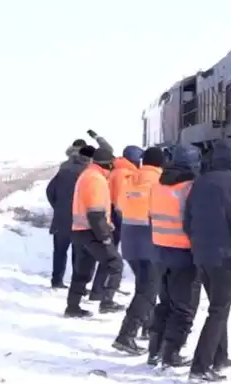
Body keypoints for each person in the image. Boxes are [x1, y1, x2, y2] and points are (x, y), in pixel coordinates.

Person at [184, 139, 231, 381]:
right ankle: (200, 367)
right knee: (218, 310)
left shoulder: (200, 182)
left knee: (219, 306)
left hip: (201, 255)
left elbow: (187, 220)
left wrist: (199, 244)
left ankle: (220, 357)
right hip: (225, 256)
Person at [147, 143, 203, 368]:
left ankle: (154, 350)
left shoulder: (158, 184)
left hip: (159, 251)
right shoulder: (190, 188)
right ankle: (171, 354)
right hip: (183, 254)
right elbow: (195, 222)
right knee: (184, 308)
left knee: (164, 304)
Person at [112, 145, 163, 355]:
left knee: (144, 286)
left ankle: (148, 329)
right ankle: (126, 335)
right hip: (149, 243)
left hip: (129, 242)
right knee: (149, 291)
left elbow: (120, 207)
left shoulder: (130, 180)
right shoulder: (159, 182)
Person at [65, 146, 125, 317]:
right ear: (107, 165)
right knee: (115, 264)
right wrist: (105, 237)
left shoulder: (86, 175)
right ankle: (107, 302)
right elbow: (95, 213)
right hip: (92, 232)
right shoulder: (96, 179)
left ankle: (73, 307)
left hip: (79, 230)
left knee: (82, 271)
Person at [89, 144, 136, 300]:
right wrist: (124, 220)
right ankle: (100, 291)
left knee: (109, 256)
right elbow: (119, 200)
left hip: (114, 216)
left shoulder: (118, 170)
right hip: (117, 218)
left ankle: (101, 288)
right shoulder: (124, 173)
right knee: (111, 257)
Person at [46, 144, 94, 288]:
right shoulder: (88, 173)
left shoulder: (63, 170)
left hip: (61, 218)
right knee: (79, 253)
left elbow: (50, 190)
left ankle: (56, 280)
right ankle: (77, 284)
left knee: (60, 251)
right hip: (79, 218)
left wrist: (58, 207)